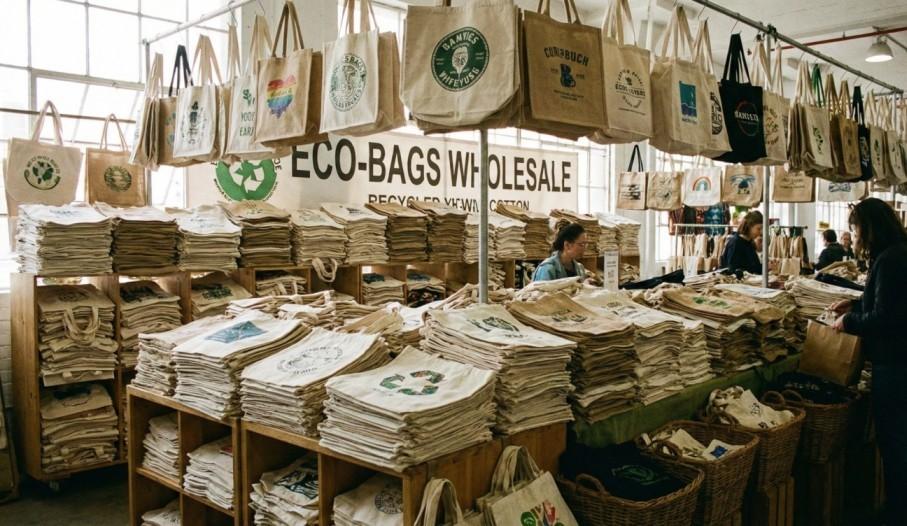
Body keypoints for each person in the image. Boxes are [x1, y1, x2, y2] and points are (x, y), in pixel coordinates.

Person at [830, 198, 907, 524]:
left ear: (869, 227)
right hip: (899, 360)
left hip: (895, 364)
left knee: (894, 441)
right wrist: (855, 303)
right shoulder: (898, 253)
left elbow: (886, 318)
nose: (855, 235)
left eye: (856, 227)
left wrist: (849, 322)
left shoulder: (889, 261)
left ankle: (897, 511)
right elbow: (889, 303)